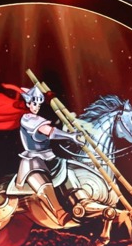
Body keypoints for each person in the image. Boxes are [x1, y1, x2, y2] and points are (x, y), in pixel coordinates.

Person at [10, 84, 84, 225]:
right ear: (28, 103)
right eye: (34, 104)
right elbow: (49, 131)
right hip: (32, 160)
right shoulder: (27, 118)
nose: (37, 107)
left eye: (39, 104)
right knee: (45, 185)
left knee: (68, 171)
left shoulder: (38, 118)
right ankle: (59, 213)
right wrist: (70, 136)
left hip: (49, 157)